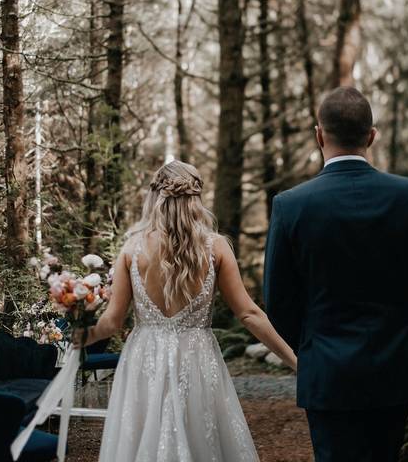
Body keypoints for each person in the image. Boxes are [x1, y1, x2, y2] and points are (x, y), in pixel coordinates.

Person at [264, 86, 408, 462]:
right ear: (371, 136)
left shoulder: (291, 206)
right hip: (394, 370)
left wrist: (313, 347)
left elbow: (278, 301)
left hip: (327, 374)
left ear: (319, 135)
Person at [75, 160, 297, 461]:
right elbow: (249, 314)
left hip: (145, 360)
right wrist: (295, 361)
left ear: (155, 196)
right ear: (196, 198)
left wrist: (78, 335)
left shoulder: (132, 249)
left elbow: (111, 323)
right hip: (196, 357)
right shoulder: (216, 247)